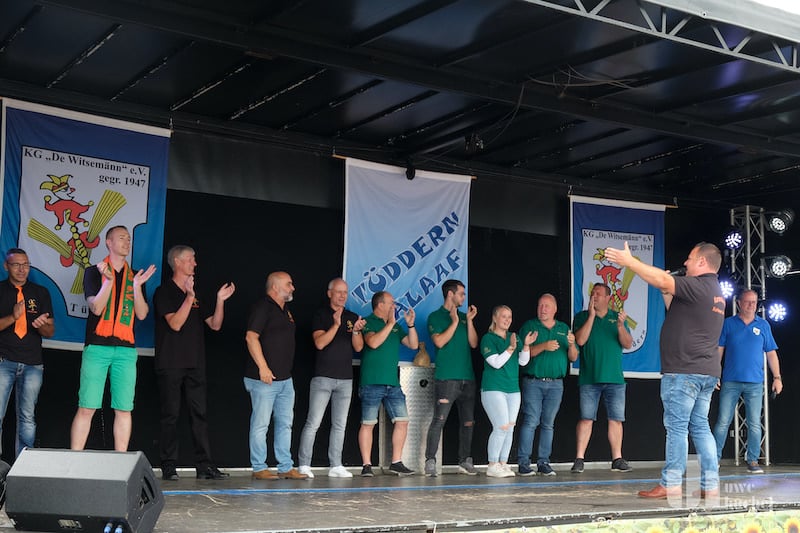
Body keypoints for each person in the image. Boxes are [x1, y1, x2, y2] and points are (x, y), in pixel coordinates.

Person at [605, 241, 725, 499]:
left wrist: (630, 263)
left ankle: (671, 483)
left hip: (684, 370)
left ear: (702, 261)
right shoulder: (714, 292)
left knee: (677, 428)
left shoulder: (698, 285)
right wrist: (666, 290)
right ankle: (710, 484)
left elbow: (661, 279)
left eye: (690, 258)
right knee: (700, 426)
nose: (685, 263)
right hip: (704, 370)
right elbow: (677, 311)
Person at [70, 226, 156, 452]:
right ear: (109, 243)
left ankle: (121, 460)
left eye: (129, 238)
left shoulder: (135, 275)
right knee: (87, 407)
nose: (127, 242)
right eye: (121, 238)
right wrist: (108, 281)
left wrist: (136, 287)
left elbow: (142, 314)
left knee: (124, 408)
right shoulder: (93, 272)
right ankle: (73, 458)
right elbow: (96, 308)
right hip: (97, 347)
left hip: (126, 350)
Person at [154, 245, 235, 481]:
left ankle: (204, 465)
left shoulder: (196, 293)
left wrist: (220, 300)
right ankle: (169, 465)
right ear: (178, 262)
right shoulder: (164, 291)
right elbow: (175, 324)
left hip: (195, 362)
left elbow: (215, 325)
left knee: (199, 414)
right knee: (170, 414)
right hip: (171, 362)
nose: (195, 264)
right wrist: (189, 297)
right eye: (191, 259)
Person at [297, 278, 365, 479]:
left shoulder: (352, 317)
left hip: (345, 379)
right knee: (313, 423)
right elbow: (319, 343)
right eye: (338, 292)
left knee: (340, 425)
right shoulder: (321, 314)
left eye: (345, 292)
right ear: (329, 293)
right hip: (323, 377)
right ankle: (304, 464)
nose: (343, 296)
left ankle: (336, 464)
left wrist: (356, 331)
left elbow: (359, 347)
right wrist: (336, 325)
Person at [244, 271, 308, 480]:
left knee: (285, 424)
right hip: (264, 379)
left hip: (285, 379)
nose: (293, 288)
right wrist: (263, 367)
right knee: (261, 424)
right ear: (275, 287)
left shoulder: (285, 310)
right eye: (288, 284)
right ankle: (258, 467)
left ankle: (285, 466)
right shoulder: (263, 307)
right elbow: (251, 337)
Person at [712, 289, 782, 474]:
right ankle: (714, 459)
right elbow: (719, 350)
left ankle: (752, 460)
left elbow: (771, 353)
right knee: (723, 421)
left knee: (754, 423)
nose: (751, 305)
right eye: (748, 301)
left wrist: (777, 377)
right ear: (739, 303)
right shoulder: (728, 323)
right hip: (730, 380)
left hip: (755, 382)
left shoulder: (763, 325)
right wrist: (715, 373)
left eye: (754, 302)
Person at [571, 283, 633, 474]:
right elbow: (580, 341)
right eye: (592, 293)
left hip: (614, 378)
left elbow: (628, 344)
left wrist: (621, 326)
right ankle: (579, 459)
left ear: (608, 298)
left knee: (616, 419)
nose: (594, 296)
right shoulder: (581, 317)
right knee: (586, 418)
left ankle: (617, 458)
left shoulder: (616, 317)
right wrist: (591, 316)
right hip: (590, 378)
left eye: (598, 294)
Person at [0, 248, 54, 457]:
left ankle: (23, 464)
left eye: (26, 265)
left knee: (27, 418)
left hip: (33, 363)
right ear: (6, 266)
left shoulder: (40, 292)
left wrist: (42, 325)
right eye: (16, 265)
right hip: (4, 361)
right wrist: (13, 318)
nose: (22, 269)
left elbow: (50, 331)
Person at [517, 294, 578, 476]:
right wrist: (544, 346)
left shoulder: (563, 328)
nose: (543, 309)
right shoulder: (530, 326)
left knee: (548, 424)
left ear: (555, 309)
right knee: (531, 421)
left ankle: (543, 462)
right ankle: (523, 463)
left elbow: (573, 357)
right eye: (540, 305)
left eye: (547, 306)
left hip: (556, 384)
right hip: (533, 382)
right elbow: (523, 354)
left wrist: (572, 345)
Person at [358, 291, 418, 477]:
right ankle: (367, 465)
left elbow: (413, 345)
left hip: (393, 382)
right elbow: (373, 343)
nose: (394, 306)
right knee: (368, 423)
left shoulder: (395, 326)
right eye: (391, 303)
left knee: (402, 421)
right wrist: (390, 324)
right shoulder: (368, 322)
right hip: (372, 381)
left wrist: (410, 325)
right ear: (380, 305)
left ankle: (396, 462)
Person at [424, 279, 478, 477]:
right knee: (439, 420)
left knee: (468, 422)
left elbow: (474, 343)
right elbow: (439, 342)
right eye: (461, 293)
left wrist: (469, 321)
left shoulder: (465, 317)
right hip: (446, 378)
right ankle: (430, 461)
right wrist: (454, 322)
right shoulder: (435, 316)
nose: (464, 297)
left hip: (467, 378)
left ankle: (465, 461)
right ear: (450, 294)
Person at [479, 305, 533, 478]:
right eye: (504, 316)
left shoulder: (513, 337)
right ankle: (492, 464)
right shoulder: (488, 339)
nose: (507, 320)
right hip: (494, 388)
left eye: (509, 317)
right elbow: (496, 363)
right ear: (495, 318)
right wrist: (510, 348)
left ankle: (503, 463)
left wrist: (526, 346)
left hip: (513, 389)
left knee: (509, 428)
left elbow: (523, 362)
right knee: (501, 426)